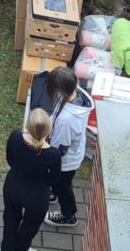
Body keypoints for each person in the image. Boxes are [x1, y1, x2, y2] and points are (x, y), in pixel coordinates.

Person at [0, 108, 61, 251]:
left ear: (28, 126)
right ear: (48, 130)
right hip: (37, 196)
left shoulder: (15, 137)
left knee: (10, 223)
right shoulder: (54, 154)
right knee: (28, 230)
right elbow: (54, 179)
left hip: (13, 187)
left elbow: (10, 159)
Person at [44, 66, 93, 229]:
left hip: (65, 160)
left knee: (62, 186)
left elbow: (60, 149)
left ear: (60, 90)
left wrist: (46, 157)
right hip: (73, 154)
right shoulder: (74, 94)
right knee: (62, 183)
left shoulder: (67, 120)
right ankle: (55, 193)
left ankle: (68, 215)